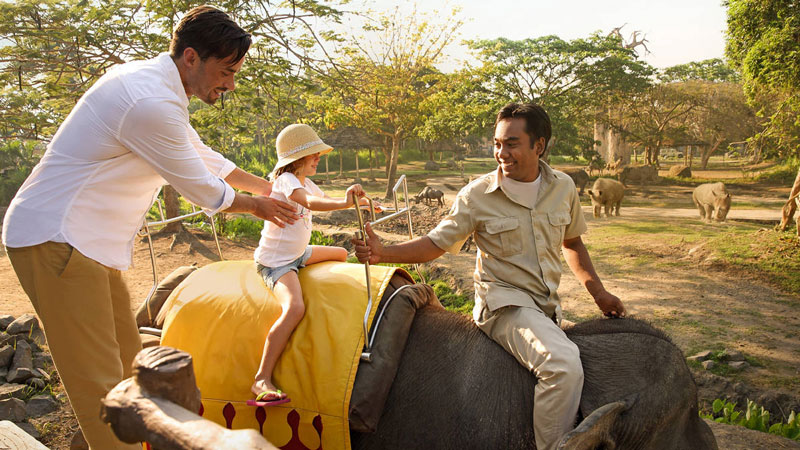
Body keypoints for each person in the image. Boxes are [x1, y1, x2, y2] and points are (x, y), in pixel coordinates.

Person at [2, 6, 298, 449]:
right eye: (227, 71)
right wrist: (260, 206)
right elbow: (201, 187)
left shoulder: (158, 88)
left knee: (130, 368)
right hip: (58, 239)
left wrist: (270, 187)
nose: (230, 85)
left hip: (91, 246)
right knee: (102, 387)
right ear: (193, 57)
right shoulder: (148, 101)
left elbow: (199, 154)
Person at [354, 102, 626, 450]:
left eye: (512, 143)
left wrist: (598, 293)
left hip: (546, 306)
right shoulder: (477, 195)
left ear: (539, 145)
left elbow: (572, 242)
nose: (502, 153)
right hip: (503, 304)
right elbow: (437, 243)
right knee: (561, 365)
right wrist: (383, 253)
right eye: (497, 143)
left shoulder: (563, 188)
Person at [250, 123, 375, 403]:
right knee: (295, 308)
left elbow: (324, 199)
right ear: (297, 158)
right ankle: (261, 379)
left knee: (342, 255)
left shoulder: (304, 181)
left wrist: (364, 204)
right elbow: (310, 203)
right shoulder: (286, 181)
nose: (318, 158)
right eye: (313, 154)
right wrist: (346, 203)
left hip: (299, 253)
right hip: (277, 263)